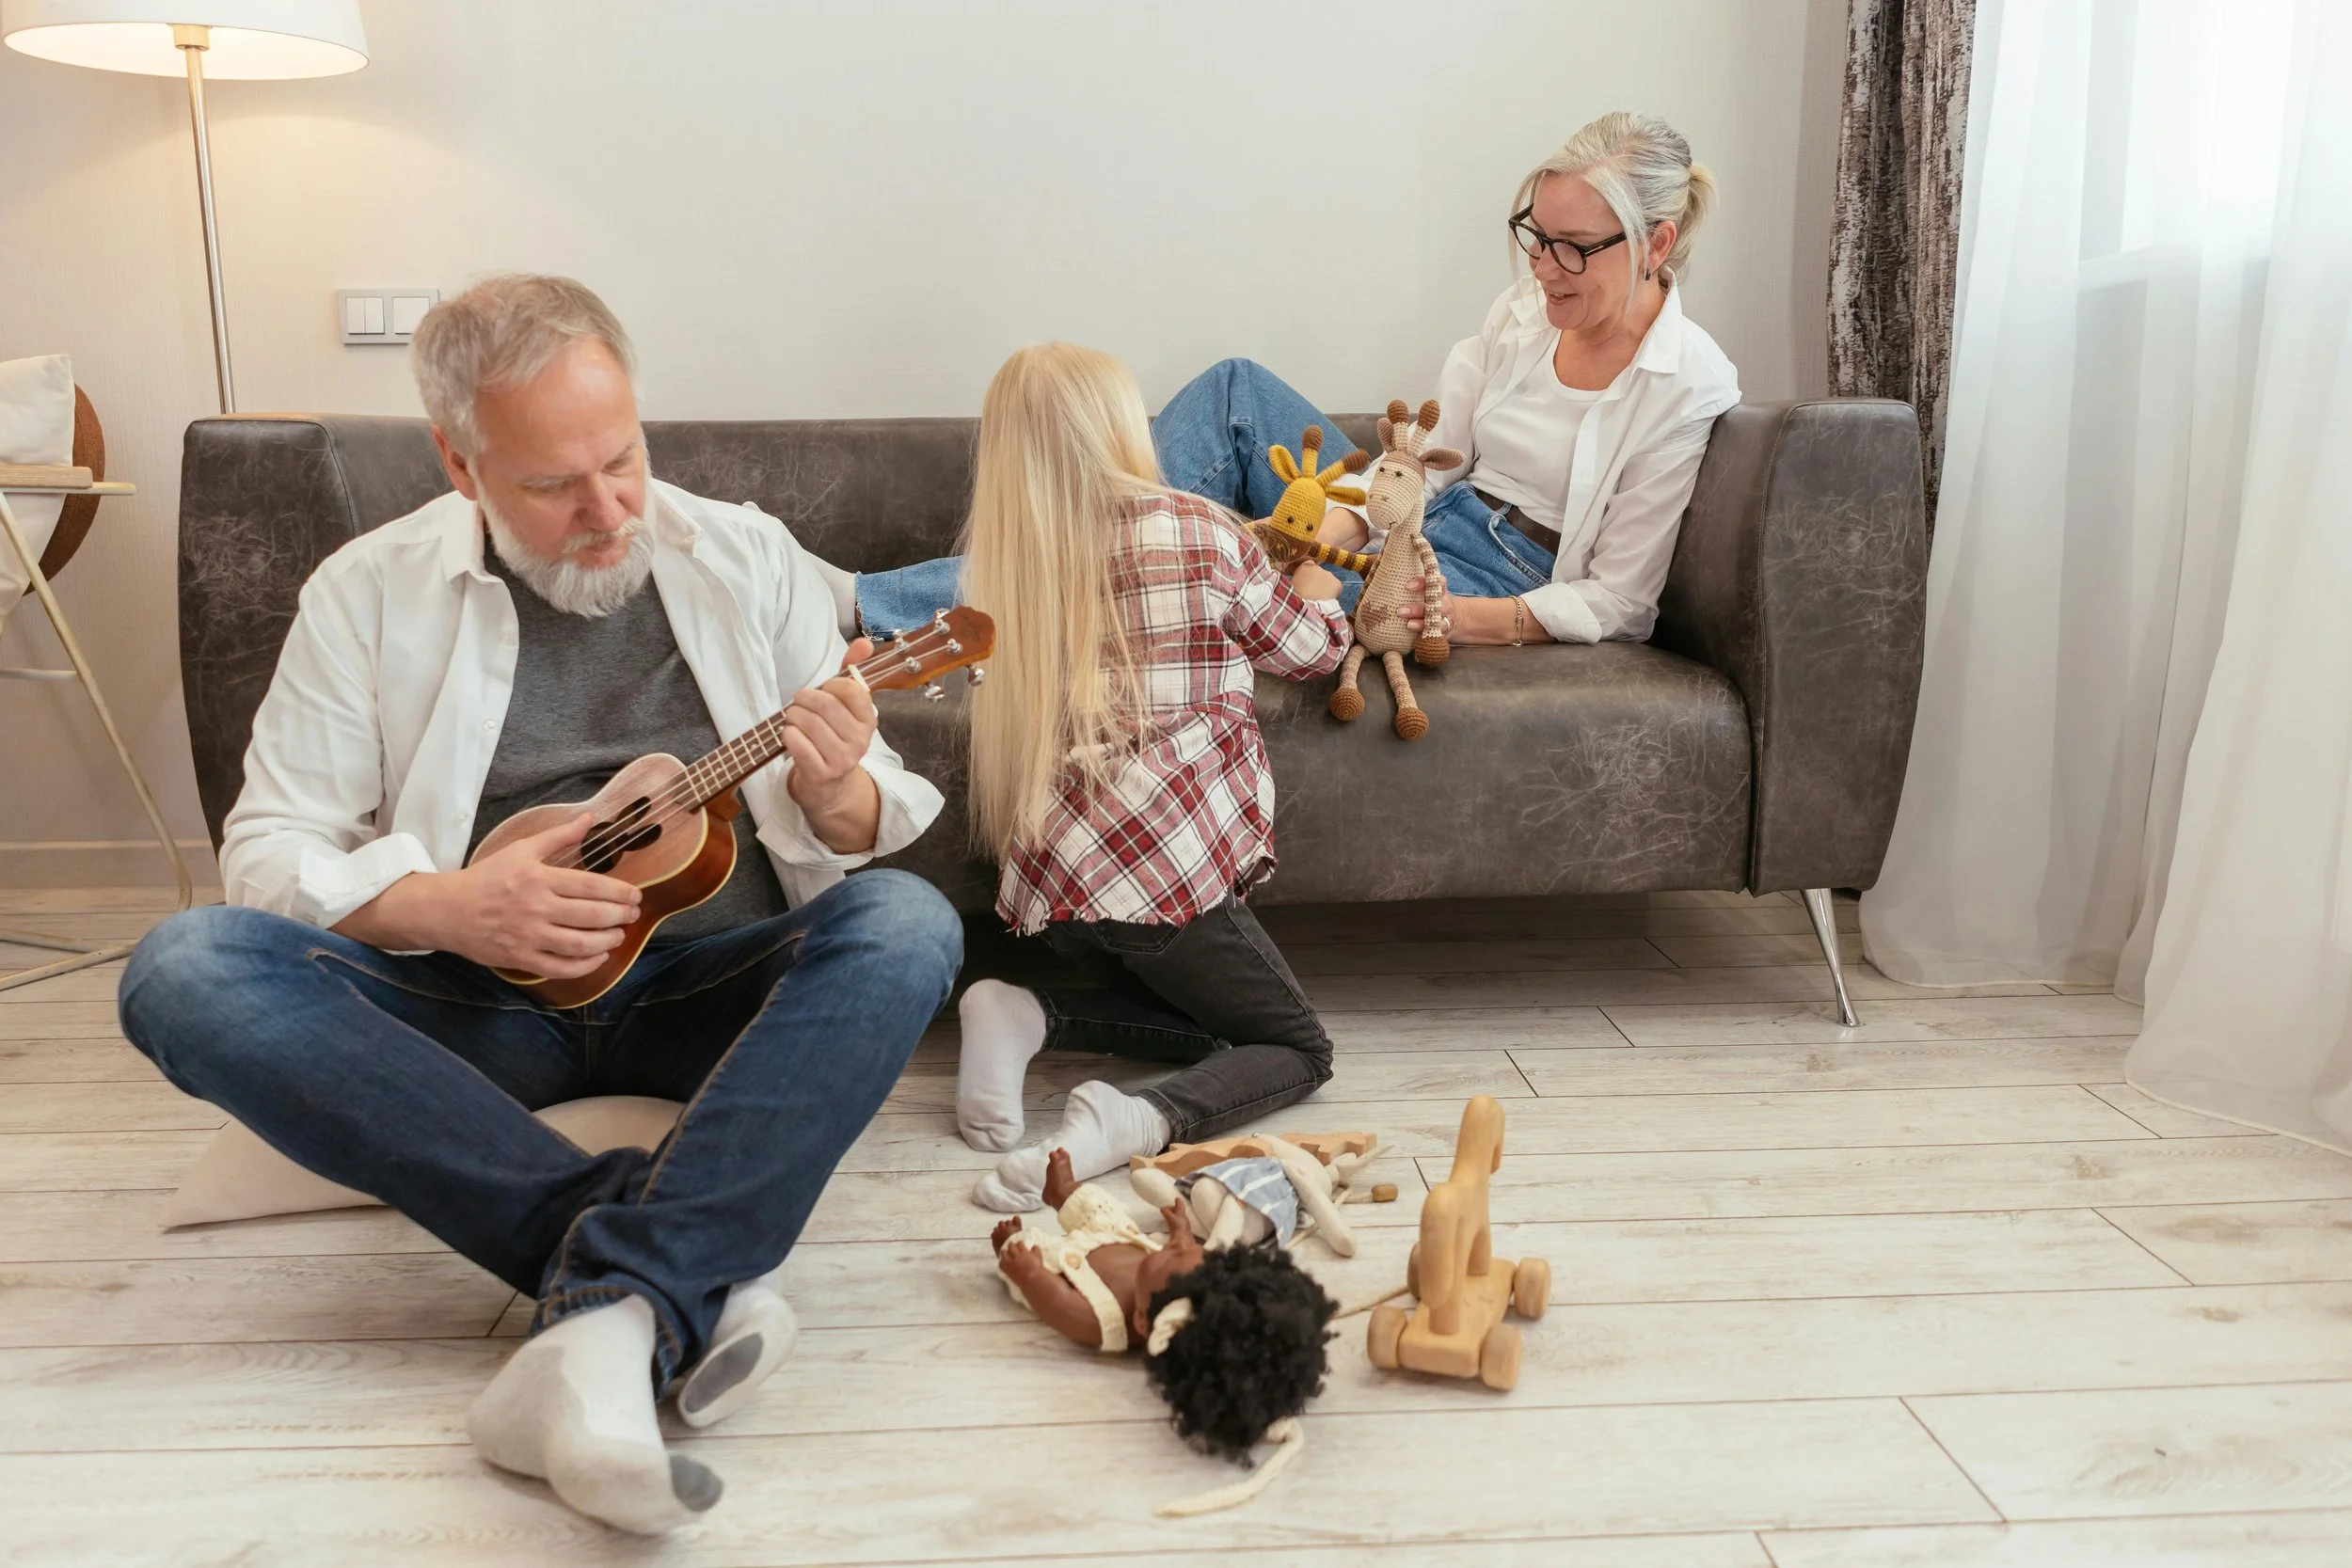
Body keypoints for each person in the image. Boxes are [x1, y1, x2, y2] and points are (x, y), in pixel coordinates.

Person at [116, 276, 961, 1536]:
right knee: (181, 965)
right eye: (554, 484)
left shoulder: (740, 553)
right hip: (478, 1003)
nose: (609, 508)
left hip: (704, 991)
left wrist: (836, 789)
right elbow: (269, 849)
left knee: (909, 925)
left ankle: (602, 1326)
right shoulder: (366, 590)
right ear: (461, 464)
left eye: (622, 458)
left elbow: (867, 818)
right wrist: (448, 905)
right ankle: (666, 1284)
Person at [843, 111, 1740, 651]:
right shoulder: (1522, 312)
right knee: (1237, 389)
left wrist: (1444, 612)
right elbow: (1426, 465)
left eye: (1574, 249)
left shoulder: (1686, 385)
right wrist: (1330, 518)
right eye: (1535, 237)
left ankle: (870, 606)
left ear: (1657, 245)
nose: (1543, 268)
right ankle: (1011, 572)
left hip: (1494, 573)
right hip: (1429, 513)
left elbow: (1620, 602)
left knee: (1193, 564)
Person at [938, 341, 1353, 1213]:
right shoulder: (1200, 528)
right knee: (1295, 1048)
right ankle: (1130, 1121)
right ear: (1122, 426)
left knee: (1208, 1023)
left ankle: (1026, 1011)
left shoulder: (1009, 569)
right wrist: (1314, 579)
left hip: (1060, 884)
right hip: (1166, 880)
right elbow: (1312, 652)